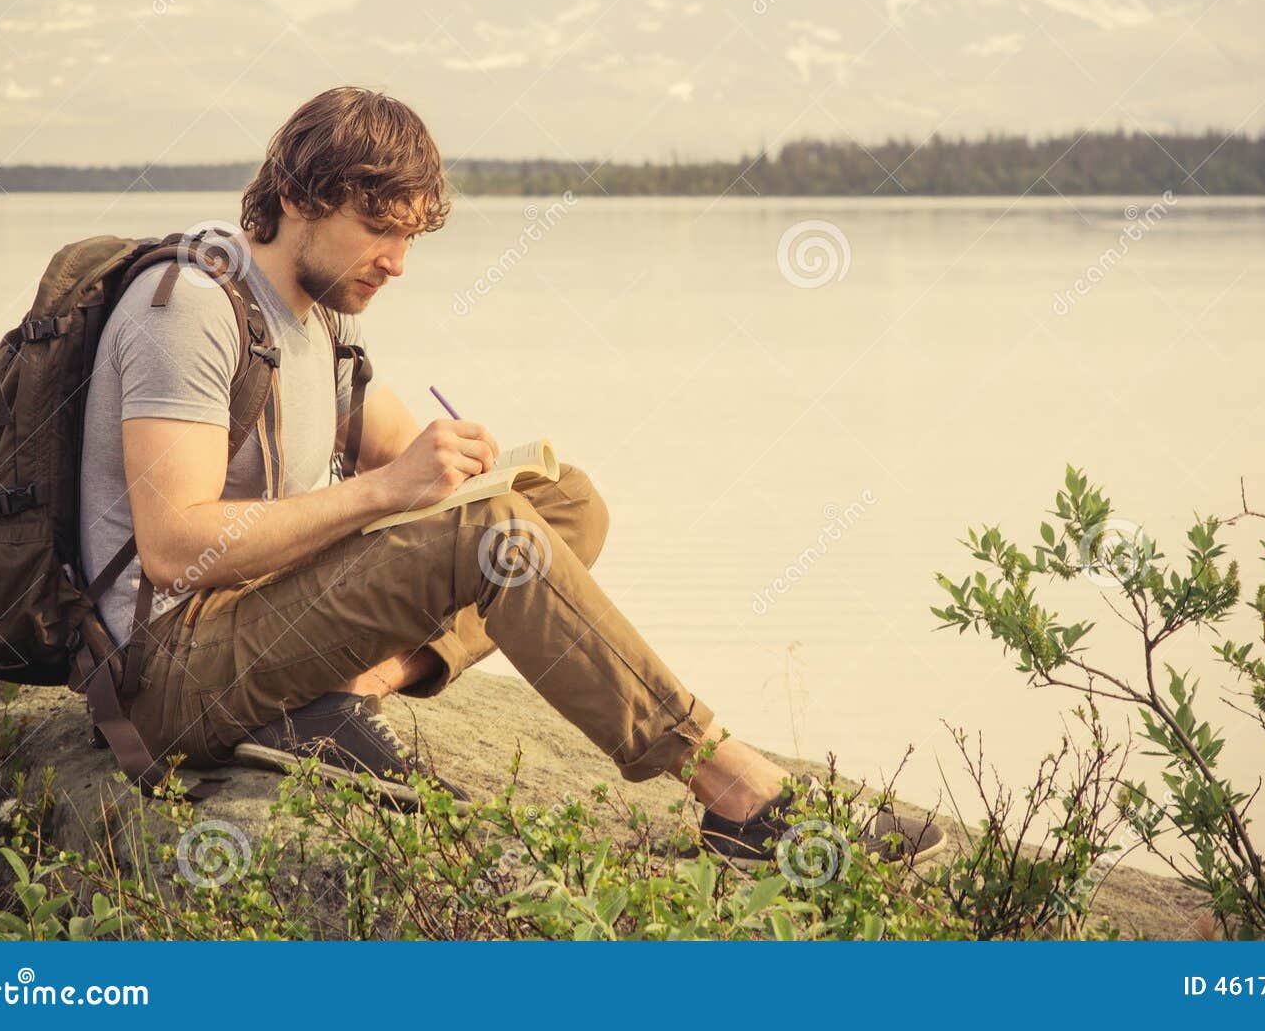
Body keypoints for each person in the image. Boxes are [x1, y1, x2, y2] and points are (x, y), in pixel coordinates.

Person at [79, 86, 945, 867]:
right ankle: (735, 793)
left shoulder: (322, 319)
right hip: (167, 677)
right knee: (494, 538)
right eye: (379, 230)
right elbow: (173, 544)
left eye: (409, 237)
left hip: (264, 629)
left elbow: (412, 452)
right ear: (300, 199)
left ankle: (341, 696)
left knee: (561, 503)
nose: (397, 262)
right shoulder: (192, 308)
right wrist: (391, 493)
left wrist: (459, 465)